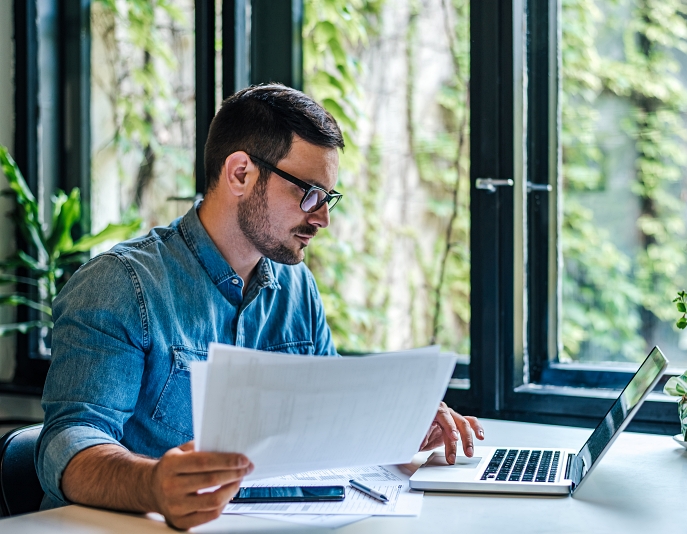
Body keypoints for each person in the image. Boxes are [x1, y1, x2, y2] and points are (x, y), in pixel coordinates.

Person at [34, 83, 484, 530]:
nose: (322, 217)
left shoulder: (295, 286)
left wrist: (400, 424)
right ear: (240, 174)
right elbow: (68, 441)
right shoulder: (120, 284)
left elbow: (328, 419)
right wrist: (152, 484)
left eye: (328, 199)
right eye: (309, 192)